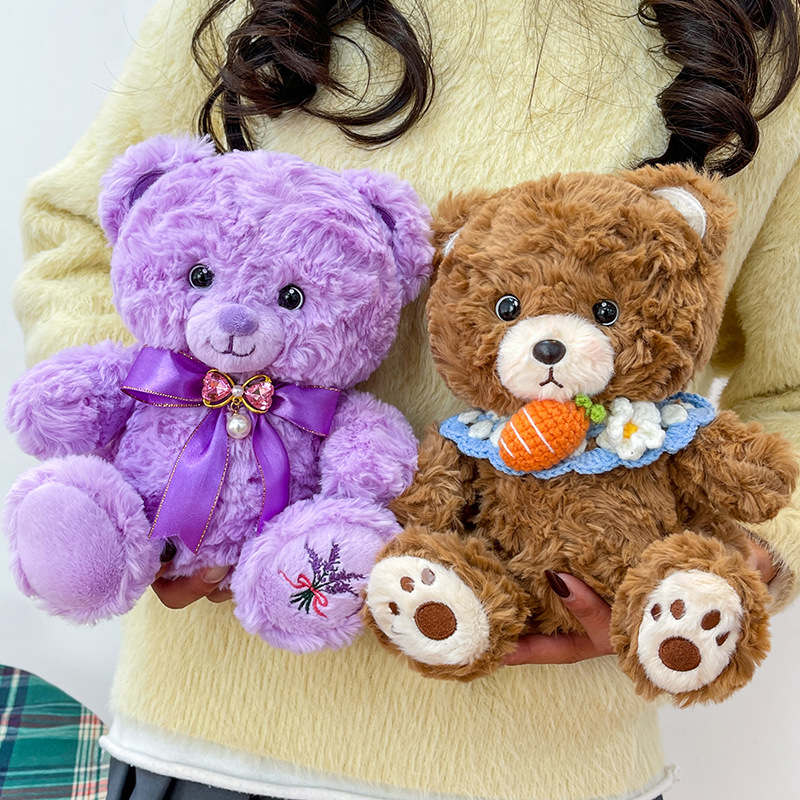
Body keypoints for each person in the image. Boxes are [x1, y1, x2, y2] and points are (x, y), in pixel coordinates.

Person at [13, 1, 800, 798]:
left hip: (542, 757)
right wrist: (157, 468)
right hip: (212, 726)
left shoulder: (767, 46)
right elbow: (85, 240)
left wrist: (726, 576)